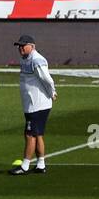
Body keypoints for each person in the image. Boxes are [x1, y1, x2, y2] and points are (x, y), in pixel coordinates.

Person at [12, 34, 57, 175]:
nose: (20, 48)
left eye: (23, 45)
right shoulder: (26, 59)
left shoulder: (37, 60)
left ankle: (25, 165)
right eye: (19, 46)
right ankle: (41, 164)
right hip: (32, 104)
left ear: (32, 46)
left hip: (38, 104)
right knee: (37, 134)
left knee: (29, 134)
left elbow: (46, 79)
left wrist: (52, 92)